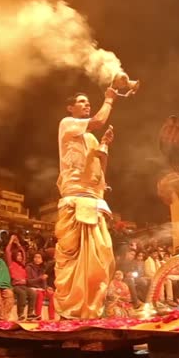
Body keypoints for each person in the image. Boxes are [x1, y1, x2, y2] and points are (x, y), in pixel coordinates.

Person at [54, 81, 127, 319]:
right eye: (82, 102)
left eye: (88, 102)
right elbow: (97, 120)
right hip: (75, 200)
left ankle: (91, 311)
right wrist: (109, 99)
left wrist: (104, 144)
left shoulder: (92, 139)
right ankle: (71, 312)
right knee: (73, 259)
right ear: (70, 108)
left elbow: (99, 167)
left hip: (93, 201)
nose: (86, 105)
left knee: (102, 254)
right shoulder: (67, 125)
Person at [5, 235, 35, 321]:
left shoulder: (22, 265)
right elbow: (7, 251)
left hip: (24, 286)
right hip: (16, 286)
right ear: (14, 256)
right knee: (22, 294)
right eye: (18, 255)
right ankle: (20, 314)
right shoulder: (11, 264)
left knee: (33, 293)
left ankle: (30, 314)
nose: (20, 257)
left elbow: (23, 252)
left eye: (21, 256)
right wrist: (11, 241)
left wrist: (18, 243)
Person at [26, 252, 54, 320]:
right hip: (32, 288)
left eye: (39, 257)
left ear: (42, 260)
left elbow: (44, 281)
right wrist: (40, 278)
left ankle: (52, 318)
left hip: (42, 289)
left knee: (53, 295)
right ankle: (38, 317)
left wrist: (47, 287)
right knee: (39, 295)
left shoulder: (43, 268)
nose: (37, 259)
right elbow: (29, 282)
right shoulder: (29, 267)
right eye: (35, 257)